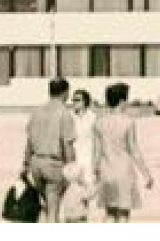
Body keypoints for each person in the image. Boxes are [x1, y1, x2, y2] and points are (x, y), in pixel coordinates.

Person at [93, 82, 152, 223]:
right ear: (122, 101)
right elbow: (134, 150)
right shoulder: (128, 122)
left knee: (109, 213)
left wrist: (95, 173)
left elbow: (96, 152)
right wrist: (146, 173)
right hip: (124, 171)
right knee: (123, 214)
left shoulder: (99, 123)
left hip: (106, 171)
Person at [21, 77, 77, 222]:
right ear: (65, 93)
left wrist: (25, 164)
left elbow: (29, 141)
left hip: (36, 163)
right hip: (54, 165)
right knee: (53, 209)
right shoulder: (64, 114)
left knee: (45, 205)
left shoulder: (37, 112)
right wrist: (72, 168)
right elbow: (67, 144)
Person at [62, 89, 99, 222]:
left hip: (88, 160)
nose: (74, 102)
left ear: (85, 101)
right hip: (73, 160)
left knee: (86, 194)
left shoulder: (93, 118)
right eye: (73, 100)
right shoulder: (69, 117)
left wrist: (97, 163)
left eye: (78, 99)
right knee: (71, 195)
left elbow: (97, 142)